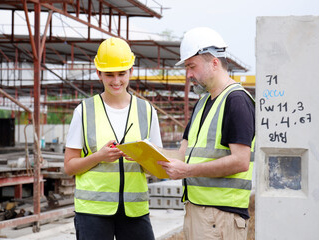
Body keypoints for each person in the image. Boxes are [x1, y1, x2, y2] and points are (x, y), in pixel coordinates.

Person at [158, 27, 255, 240]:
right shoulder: (202, 104)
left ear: (214, 63)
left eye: (191, 66)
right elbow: (183, 155)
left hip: (221, 216)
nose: (188, 74)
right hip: (198, 211)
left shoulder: (236, 101)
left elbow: (240, 161)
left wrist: (188, 171)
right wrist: (144, 152)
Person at [64, 37, 162, 240]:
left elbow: (158, 167)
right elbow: (70, 166)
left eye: (121, 74)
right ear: (99, 73)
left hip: (134, 211)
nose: (116, 81)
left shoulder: (147, 111)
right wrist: (98, 156)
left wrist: (143, 158)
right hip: (93, 212)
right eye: (109, 74)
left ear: (131, 72)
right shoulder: (84, 111)